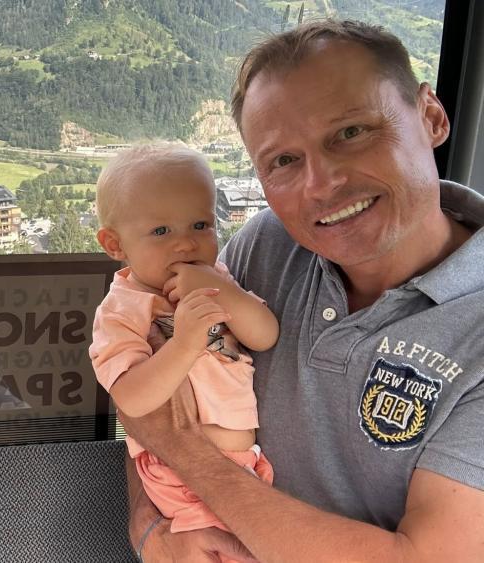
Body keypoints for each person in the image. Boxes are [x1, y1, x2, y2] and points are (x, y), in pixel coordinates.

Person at [122, 20, 484, 562]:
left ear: (431, 116)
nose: (322, 184)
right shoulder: (264, 249)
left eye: (351, 132)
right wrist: (149, 525)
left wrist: (188, 454)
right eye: (284, 161)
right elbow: (153, 395)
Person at [89, 146, 278, 549]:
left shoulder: (218, 278)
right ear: (114, 243)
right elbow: (132, 399)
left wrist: (226, 293)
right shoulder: (122, 310)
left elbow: (264, 335)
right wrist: (184, 345)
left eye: (200, 224)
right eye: (161, 231)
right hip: (179, 477)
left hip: (244, 467)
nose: (186, 245)